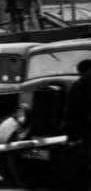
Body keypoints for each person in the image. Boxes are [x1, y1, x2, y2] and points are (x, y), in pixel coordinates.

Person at [63, 58, 91, 190]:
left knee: (81, 161)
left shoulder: (80, 84)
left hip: (83, 129)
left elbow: (73, 109)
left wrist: (70, 132)